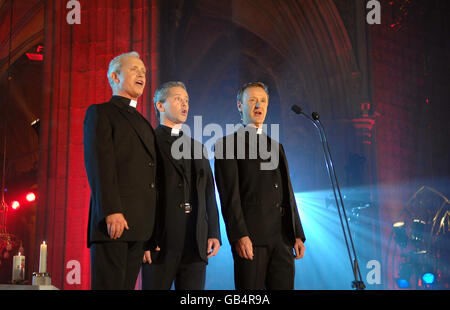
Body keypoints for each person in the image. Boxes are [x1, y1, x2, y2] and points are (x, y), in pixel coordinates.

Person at [214, 82, 306, 290]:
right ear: (240, 105)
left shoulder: (276, 146)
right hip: (252, 238)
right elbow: (229, 197)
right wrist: (239, 235)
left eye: (263, 101)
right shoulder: (227, 145)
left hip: (282, 238)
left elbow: (288, 192)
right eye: (252, 100)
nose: (259, 105)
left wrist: (297, 233)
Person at [83, 51, 157, 290]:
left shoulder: (144, 122)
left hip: (139, 228)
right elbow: (99, 164)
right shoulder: (101, 113)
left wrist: (150, 233)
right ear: (114, 76)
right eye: (134, 69)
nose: (141, 75)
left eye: (144, 72)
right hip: (113, 223)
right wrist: (111, 210)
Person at [141, 81, 221, 290]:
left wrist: (213, 231)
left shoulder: (197, 147)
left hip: (195, 242)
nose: (185, 104)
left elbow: (209, 194)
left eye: (186, 100)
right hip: (160, 242)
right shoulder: (148, 143)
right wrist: (144, 240)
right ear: (160, 106)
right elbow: (142, 193)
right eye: (178, 99)